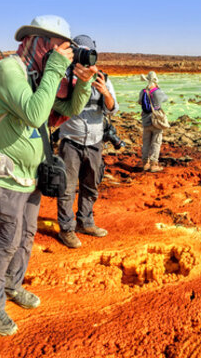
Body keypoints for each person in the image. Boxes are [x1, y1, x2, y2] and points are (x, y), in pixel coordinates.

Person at [0, 15, 96, 336]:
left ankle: (12, 286)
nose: (61, 54)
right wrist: (56, 68)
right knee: (6, 240)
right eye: (58, 47)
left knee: (27, 235)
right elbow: (34, 114)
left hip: (32, 174)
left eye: (66, 49)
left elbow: (68, 109)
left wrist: (83, 82)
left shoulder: (37, 75)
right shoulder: (10, 70)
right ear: (37, 41)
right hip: (6, 175)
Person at [56, 34, 116, 248]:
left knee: (91, 185)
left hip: (94, 141)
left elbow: (112, 108)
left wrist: (105, 92)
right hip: (71, 140)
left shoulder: (102, 78)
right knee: (67, 188)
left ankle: (85, 222)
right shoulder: (64, 77)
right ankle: (66, 229)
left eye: (87, 53)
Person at [138, 71, 168, 172]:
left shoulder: (143, 91)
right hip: (156, 121)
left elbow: (139, 102)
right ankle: (154, 164)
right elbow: (165, 99)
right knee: (156, 142)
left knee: (146, 142)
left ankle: (145, 164)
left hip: (146, 120)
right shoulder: (157, 92)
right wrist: (159, 89)